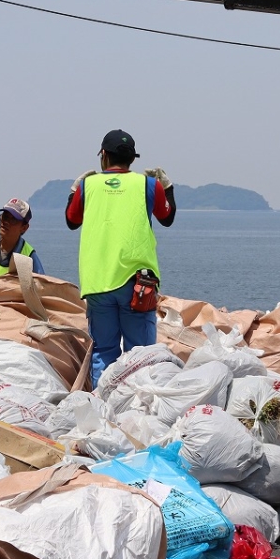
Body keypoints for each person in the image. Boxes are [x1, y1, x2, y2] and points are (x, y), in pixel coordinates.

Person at [65, 129, 176, 385]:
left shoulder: (88, 185)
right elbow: (167, 218)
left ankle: (103, 409)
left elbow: (72, 221)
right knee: (141, 355)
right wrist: (167, 188)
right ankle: (137, 410)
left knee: (104, 351)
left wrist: (74, 191)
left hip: (98, 284)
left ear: (103, 155)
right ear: (132, 160)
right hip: (137, 285)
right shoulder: (148, 185)